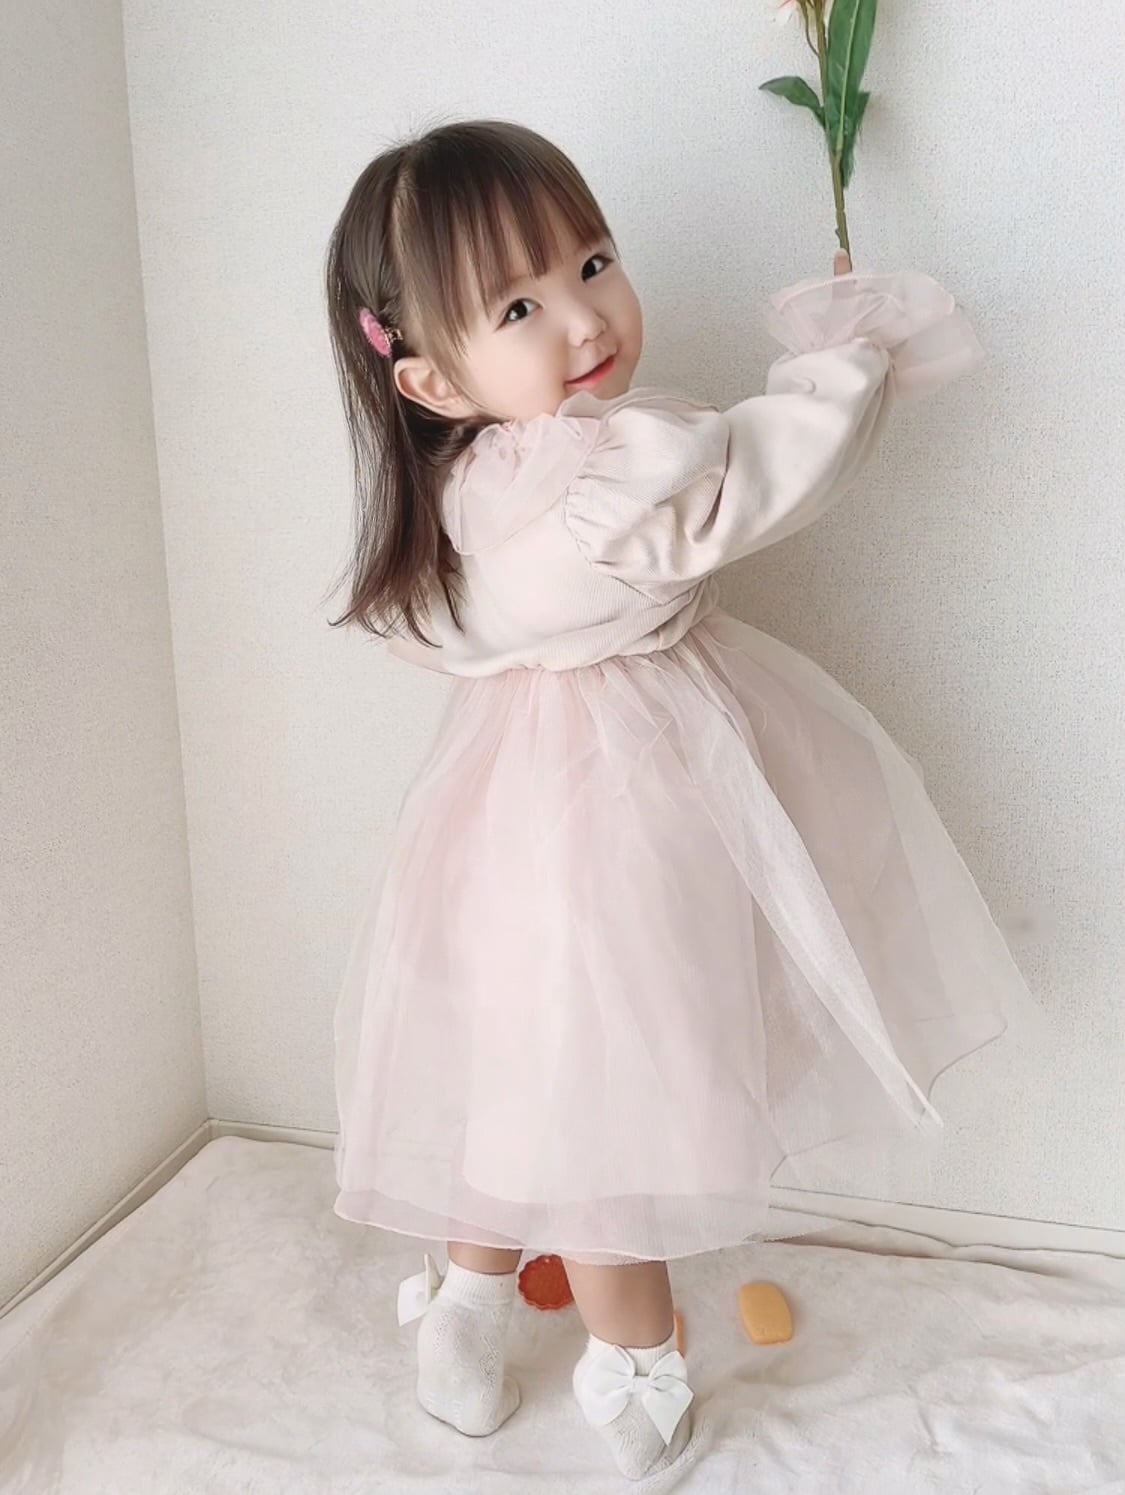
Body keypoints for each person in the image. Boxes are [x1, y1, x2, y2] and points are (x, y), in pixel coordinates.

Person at [323, 120, 1031, 1480]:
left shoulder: (460, 493)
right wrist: (849, 351)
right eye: (520, 306)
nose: (584, 317)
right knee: (611, 1100)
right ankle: (630, 1361)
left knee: (517, 1073)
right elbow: (775, 464)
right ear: (429, 376)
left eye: (592, 263)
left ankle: (466, 1308)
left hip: (498, 803)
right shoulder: (610, 487)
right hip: (623, 807)